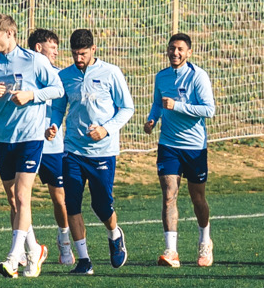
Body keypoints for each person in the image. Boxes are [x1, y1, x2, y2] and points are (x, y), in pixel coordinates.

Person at [0, 15, 56, 272]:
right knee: (13, 200)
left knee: (22, 196)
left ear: (10, 34)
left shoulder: (34, 60)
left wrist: (31, 95)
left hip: (30, 136)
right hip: (2, 137)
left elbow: (57, 89)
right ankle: (35, 250)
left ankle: (13, 258)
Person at [57, 29, 135, 275]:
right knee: (72, 204)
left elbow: (127, 108)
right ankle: (84, 260)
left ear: (93, 50)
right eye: (74, 54)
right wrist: (52, 125)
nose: (78, 59)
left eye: (82, 54)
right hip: (73, 150)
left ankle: (114, 234)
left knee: (101, 205)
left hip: (102, 151)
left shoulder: (111, 73)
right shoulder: (65, 76)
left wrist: (106, 129)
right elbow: (58, 108)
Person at [151, 31, 217, 267]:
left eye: (180, 49)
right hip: (168, 144)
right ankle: (171, 251)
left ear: (189, 52)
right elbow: (158, 104)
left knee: (197, 197)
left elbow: (209, 110)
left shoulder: (198, 77)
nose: (175, 53)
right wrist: (152, 119)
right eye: (171, 48)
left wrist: (178, 106)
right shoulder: (162, 77)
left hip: (194, 147)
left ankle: (205, 242)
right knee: (169, 195)